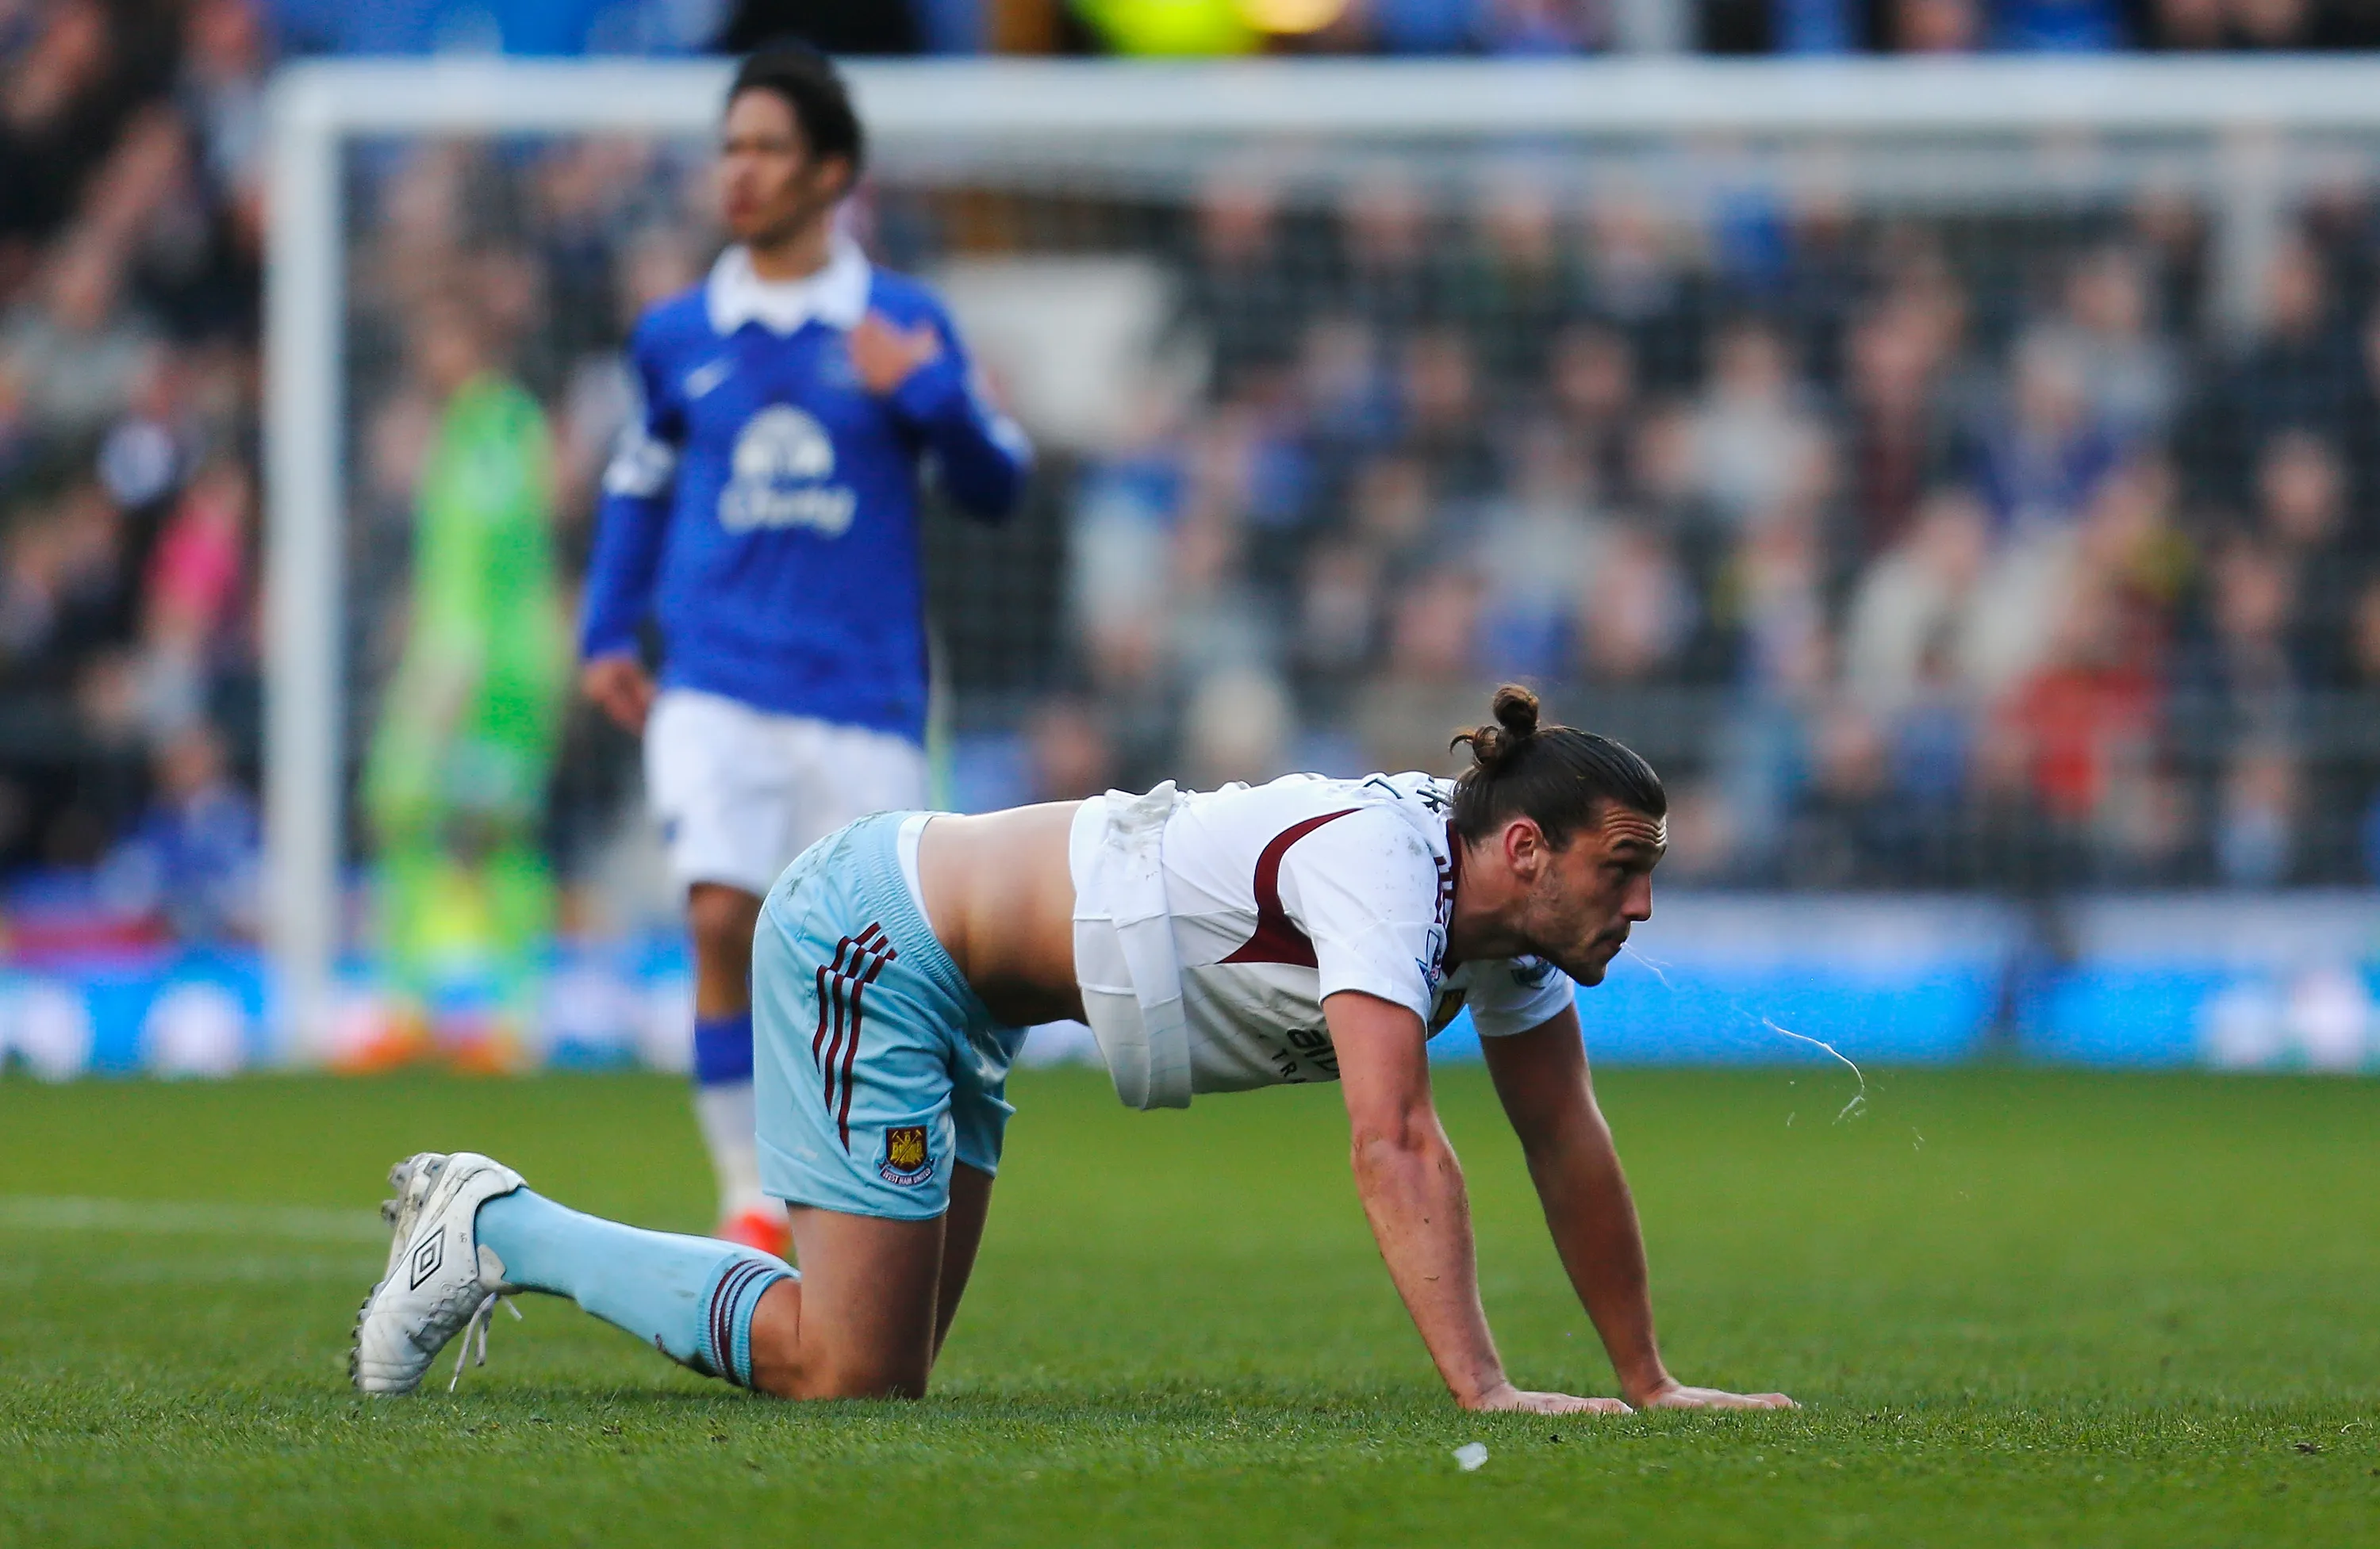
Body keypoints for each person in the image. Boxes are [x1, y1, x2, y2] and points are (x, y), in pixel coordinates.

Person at [355, 687, 1795, 1416]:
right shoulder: (1386, 861)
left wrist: (1648, 1384)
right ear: (1527, 847)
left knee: (880, 1374)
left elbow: (1566, 1141)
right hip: (878, 939)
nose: (1645, 903)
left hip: (964, 998)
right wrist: (1485, 1393)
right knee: (844, 1376)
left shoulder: (1507, 929)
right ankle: (496, 1225)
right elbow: (1393, 1141)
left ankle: (500, 1224)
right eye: (1626, 867)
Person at [575, 48, 1031, 1255]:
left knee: (875, 964)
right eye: (731, 146)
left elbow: (1001, 483)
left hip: (864, 696)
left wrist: (926, 394)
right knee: (722, 913)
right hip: (716, 677)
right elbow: (639, 483)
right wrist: (608, 625)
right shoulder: (680, 335)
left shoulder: (903, 320)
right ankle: (748, 1197)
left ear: (833, 172)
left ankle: (870, 1199)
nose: (741, 171)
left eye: (769, 148)